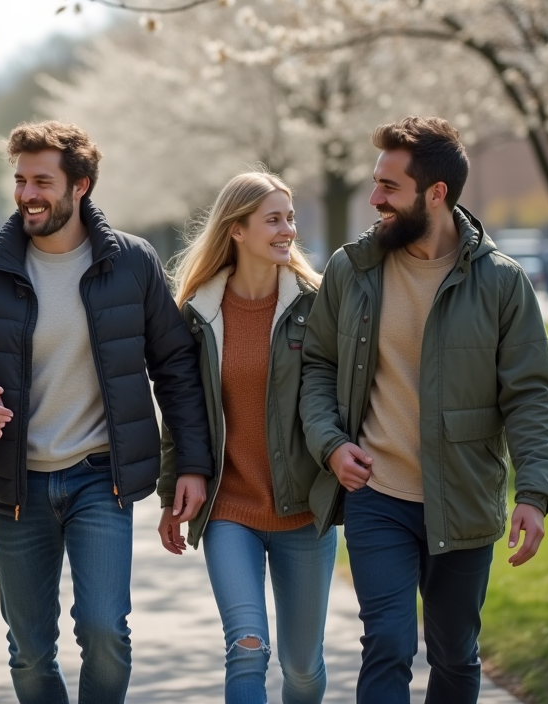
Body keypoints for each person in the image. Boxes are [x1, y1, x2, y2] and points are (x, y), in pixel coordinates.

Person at [300, 117, 548, 704]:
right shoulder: (352, 270)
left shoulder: (501, 282)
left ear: (435, 193)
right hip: (378, 495)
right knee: (388, 643)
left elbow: (531, 395)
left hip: (464, 499)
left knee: (454, 653)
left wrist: (534, 494)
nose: (375, 199)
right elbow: (317, 366)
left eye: (389, 187)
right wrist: (331, 443)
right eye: (375, 184)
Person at [0, 120, 214, 704]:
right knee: (28, 649)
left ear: (81, 186)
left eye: (42, 180)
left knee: (104, 632)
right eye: (20, 180)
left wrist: (191, 465)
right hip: (18, 483)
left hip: (101, 479)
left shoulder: (132, 263)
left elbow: (175, 367)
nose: (27, 194)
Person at [158, 171, 337, 704]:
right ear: (236, 230)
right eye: (274, 219)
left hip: (304, 510)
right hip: (229, 508)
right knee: (247, 646)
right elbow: (182, 412)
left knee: (302, 667)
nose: (288, 230)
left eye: (290, 218)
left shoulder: (317, 305)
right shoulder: (197, 313)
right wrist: (172, 495)